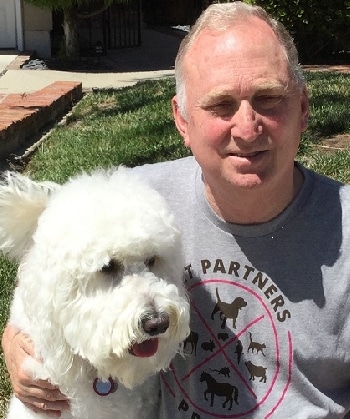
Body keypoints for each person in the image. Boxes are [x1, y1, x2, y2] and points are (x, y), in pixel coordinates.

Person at [2, 2, 350, 418]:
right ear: (182, 120)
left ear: (304, 108)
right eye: (221, 104)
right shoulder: (132, 203)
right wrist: (17, 342)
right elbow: (47, 270)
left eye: (269, 98)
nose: (247, 126)